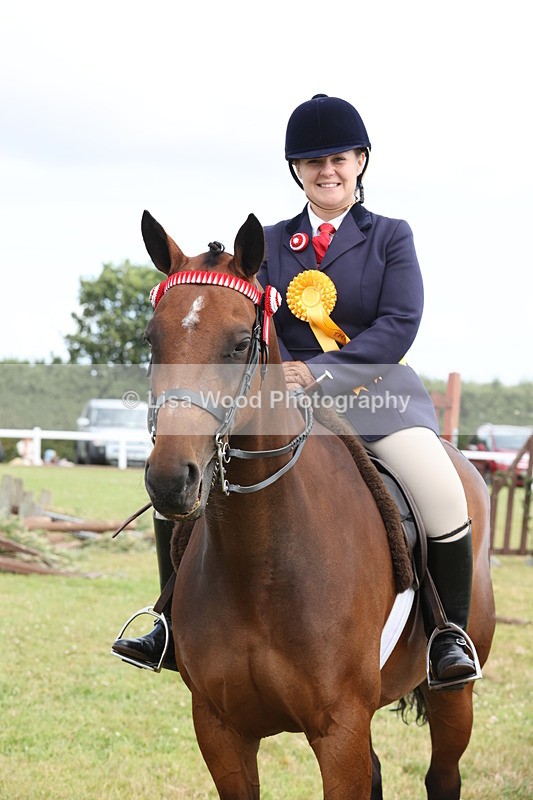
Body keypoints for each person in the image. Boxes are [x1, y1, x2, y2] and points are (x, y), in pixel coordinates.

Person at [112, 93, 477, 689]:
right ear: (296, 172)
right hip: (280, 404)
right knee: (177, 475)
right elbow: (227, 313)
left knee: (442, 490)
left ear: (360, 160)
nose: (326, 171)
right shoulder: (267, 244)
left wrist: (321, 373)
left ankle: (446, 636)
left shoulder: (390, 237)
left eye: (338, 158)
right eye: (312, 162)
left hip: (377, 398)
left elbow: (398, 323)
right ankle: (170, 624)